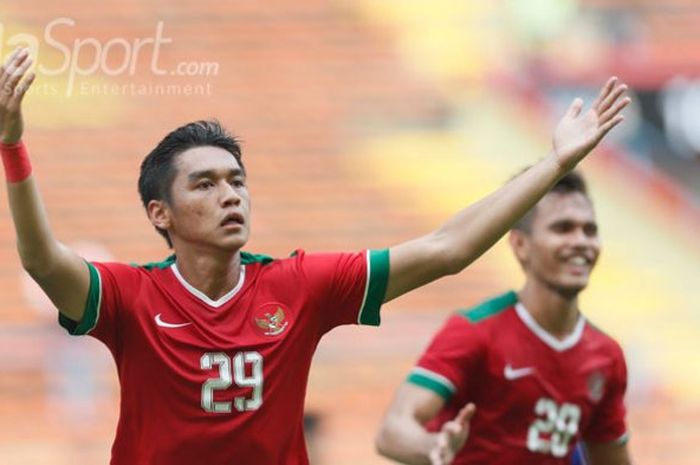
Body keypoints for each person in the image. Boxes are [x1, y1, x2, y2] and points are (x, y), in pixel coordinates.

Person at [0, 47, 629, 465]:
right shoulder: (131, 298)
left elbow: (447, 249)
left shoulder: (300, 285)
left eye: (237, 180)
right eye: (205, 184)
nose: (231, 195)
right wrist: (13, 147)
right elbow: (42, 260)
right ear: (158, 214)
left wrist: (555, 163)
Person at [375, 172, 633, 465]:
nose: (581, 241)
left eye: (590, 230)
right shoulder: (475, 332)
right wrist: (433, 446)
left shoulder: (606, 357)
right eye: (563, 229)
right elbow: (392, 431)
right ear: (521, 244)